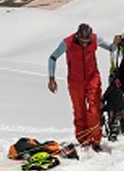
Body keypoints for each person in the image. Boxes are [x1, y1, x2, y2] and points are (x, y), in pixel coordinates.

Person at [48, 23, 118, 152]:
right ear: (77, 36)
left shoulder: (96, 39)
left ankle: (96, 141)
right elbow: (52, 58)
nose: (85, 44)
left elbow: (112, 48)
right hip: (75, 81)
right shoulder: (67, 42)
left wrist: (116, 44)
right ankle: (83, 140)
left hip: (93, 79)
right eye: (82, 41)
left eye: (87, 42)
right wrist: (51, 78)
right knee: (79, 109)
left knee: (94, 109)